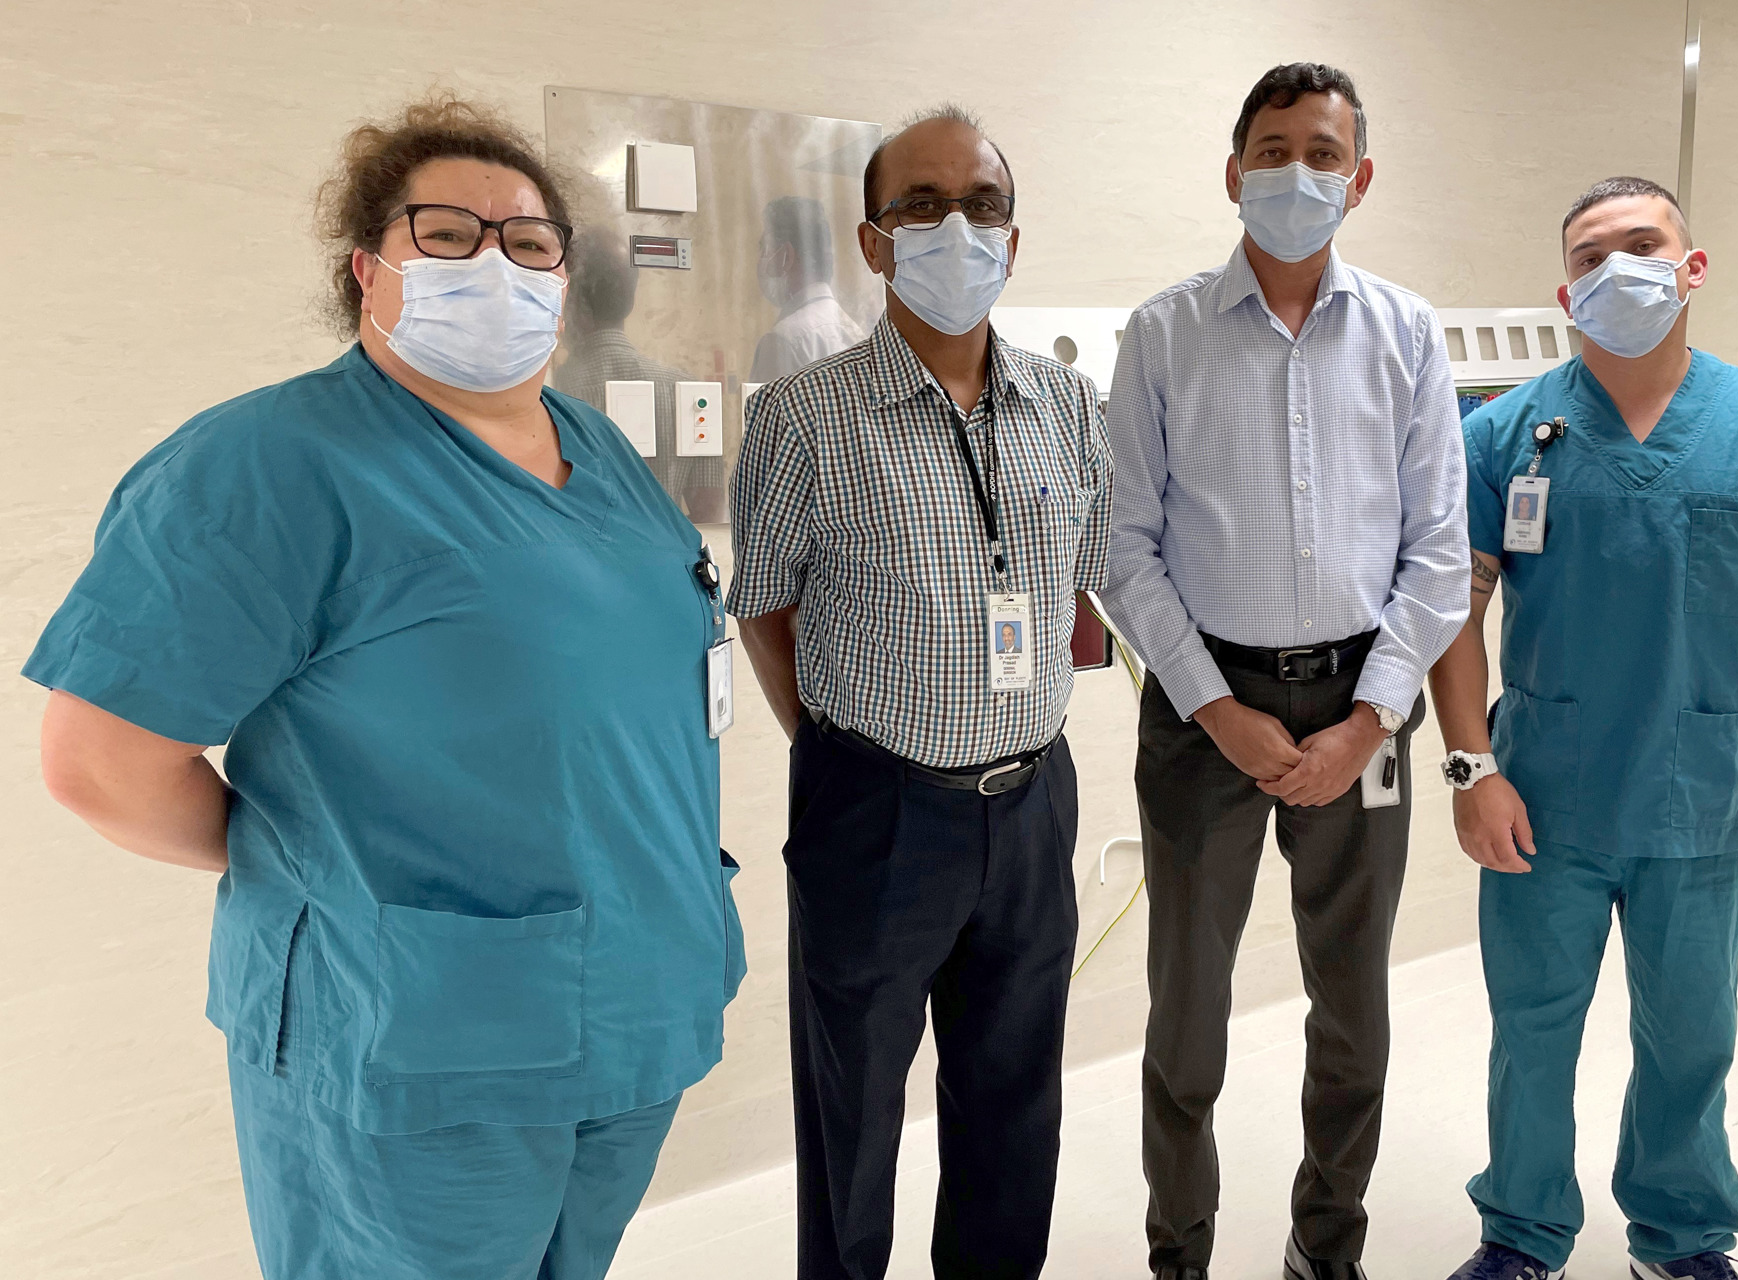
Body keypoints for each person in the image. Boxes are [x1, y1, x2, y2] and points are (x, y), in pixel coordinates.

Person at [25, 96, 746, 1280]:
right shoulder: (269, 467)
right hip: (420, 1046)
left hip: (635, 1012)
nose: (496, 263)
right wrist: (318, 866)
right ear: (368, 268)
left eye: (529, 243)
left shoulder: (597, 448)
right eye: (449, 233)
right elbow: (100, 761)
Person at [1429, 177, 1738, 1280]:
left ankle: (1681, 1238)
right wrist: (1468, 765)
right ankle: (1521, 1231)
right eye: (1591, 255)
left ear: (1692, 265)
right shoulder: (1502, 432)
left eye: (1643, 243)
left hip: (1704, 788)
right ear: (1564, 291)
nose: (1617, 267)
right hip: (1542, 790)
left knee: (1690, 1032)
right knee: (1532, 1025)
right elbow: (1455, 604)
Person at [729, 104, 1110, 1280]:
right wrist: (839, 749)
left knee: (1013, 1098)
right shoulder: (802, 415)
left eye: (983, 205)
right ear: (873, 240)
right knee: (853, 1110)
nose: (958, 228)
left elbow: (1078, 584)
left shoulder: (1065, 405)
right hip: (878, 809)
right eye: (923, 206)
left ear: (1014, 235)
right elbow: (765, 603)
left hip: (1034, 799)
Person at [1103, 63, 1469, 1280]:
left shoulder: (1410, 335)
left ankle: (1327, 1247)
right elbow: (1126, 545)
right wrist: (1214, 705)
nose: (1296, 173)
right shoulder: (1162, 336)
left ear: (1359, 180)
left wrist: (1372, 719)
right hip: (1205, 708)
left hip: (1365, 701)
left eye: (1323, 153)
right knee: (1187, 1012)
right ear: (1232, 173)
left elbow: (1437, 553)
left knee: (1351, 1008)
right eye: (1272, 149)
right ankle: (1180, 1250)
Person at [553, 225, 698, 512]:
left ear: (573, 300)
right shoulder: (685, 389)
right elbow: (710, 510)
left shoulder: (550, 391)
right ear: (631, 301)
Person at [750, 195, 867, 381]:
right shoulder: (855, 333)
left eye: (765, 249)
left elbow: (765, 410)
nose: (760, 262)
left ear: (786, 257)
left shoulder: (782, 341)